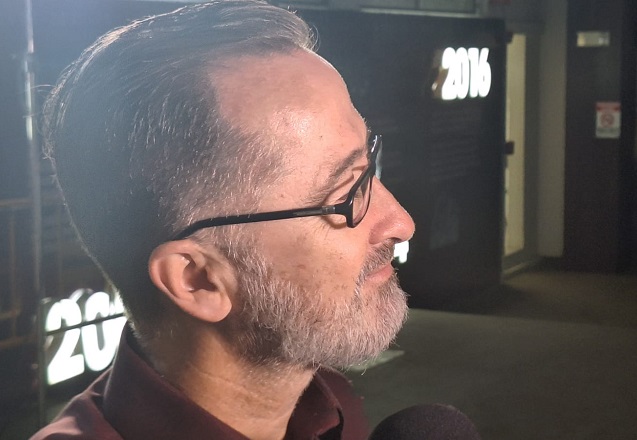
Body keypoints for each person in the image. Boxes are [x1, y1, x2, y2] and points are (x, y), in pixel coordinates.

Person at [31, 1, 414, 439]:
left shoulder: (330, 406)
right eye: (347, 193)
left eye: (368, 167)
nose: (401, 222)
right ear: (197, 279)